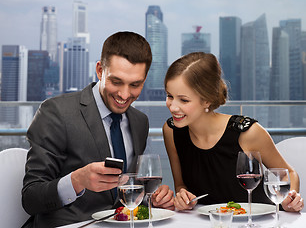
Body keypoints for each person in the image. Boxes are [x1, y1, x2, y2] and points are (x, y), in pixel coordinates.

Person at [22, 31, 174, 227]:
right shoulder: (56, 112)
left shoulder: (139, 122)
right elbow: (30, 198)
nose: (124, 94)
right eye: (116, 81)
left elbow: (126, 192)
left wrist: (151, 199)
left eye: (135, 85)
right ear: (100, 70)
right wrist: (77, 181)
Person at [162, 52, 304, 212]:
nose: (172, 107)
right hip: (207, 223)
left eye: (184, 100)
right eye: (169, 96)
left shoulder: (248, 133)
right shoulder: (171, 131)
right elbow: (181, 185)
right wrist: (182, 196)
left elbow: (289, 173)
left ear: (207, 100)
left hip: (258, 221)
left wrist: (289, 199)